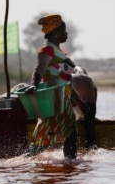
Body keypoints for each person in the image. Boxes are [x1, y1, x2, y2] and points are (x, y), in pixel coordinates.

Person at [23, 14, 88, 159]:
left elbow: (67, 81)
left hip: (63, 99)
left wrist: (79, 102)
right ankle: (21, 162)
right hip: (53, 99)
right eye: (64, 31)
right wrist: (34, 85)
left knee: (70, 131)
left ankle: (69, 163)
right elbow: (39, 69)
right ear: (56, 32)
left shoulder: (61, 53)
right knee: (44, 135)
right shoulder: (47, 50)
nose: (66, 34)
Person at [72, 66, 97, 149]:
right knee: (90, 127)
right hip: (89, 103)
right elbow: (94, 98)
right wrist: (92, 116)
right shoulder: (89, 78)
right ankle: (91, 146)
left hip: (75, 102)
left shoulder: (72, 75)